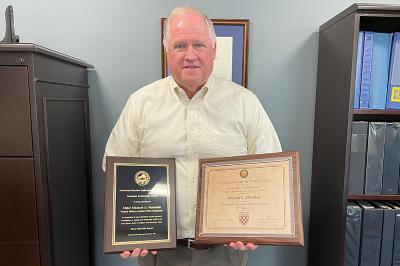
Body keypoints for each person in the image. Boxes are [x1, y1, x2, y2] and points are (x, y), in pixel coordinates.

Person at [103, 6, 281, 266]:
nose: (190, 56)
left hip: (226, 253)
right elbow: (114, 168)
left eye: (199, 45)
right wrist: (127, 231)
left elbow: (271, 170)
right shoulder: (140, 104)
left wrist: (258, 225)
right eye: (179, 46)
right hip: (160, 254)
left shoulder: (245, 103)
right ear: (167, 52)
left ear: (214, 50)